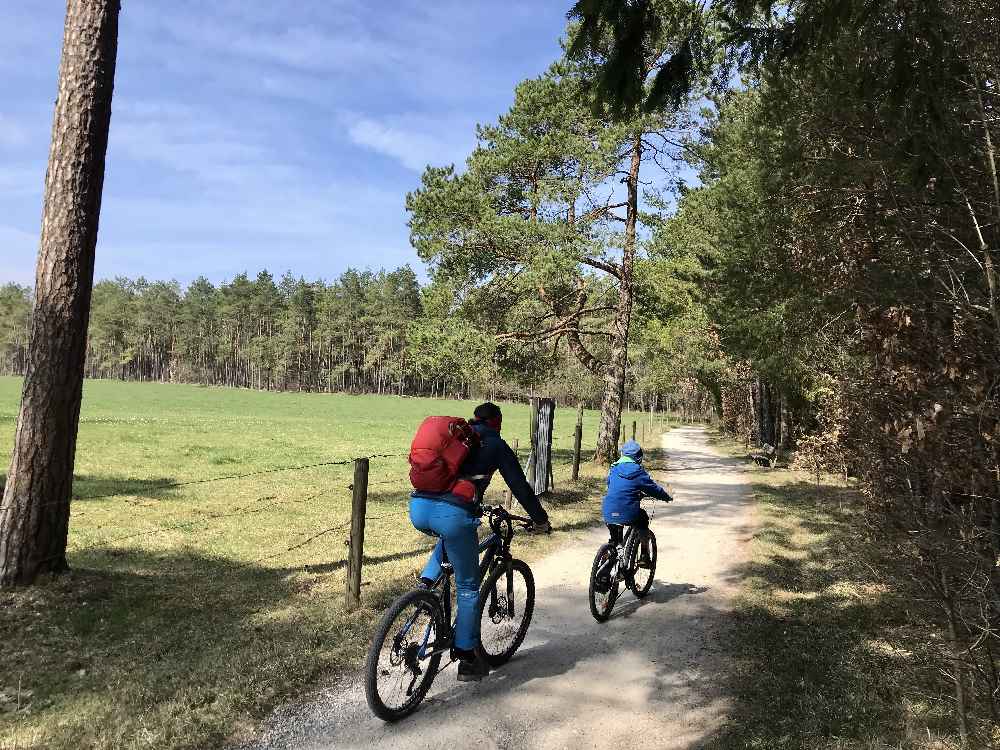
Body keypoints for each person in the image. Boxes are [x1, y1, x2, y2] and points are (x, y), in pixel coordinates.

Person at [409, 402, 551, 682]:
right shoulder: (495, 444)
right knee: (468, 586)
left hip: (419, 507)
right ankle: (467, 659)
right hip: (452, 513)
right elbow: (520, 486)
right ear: (497, 422)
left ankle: (424, 589)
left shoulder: (457, 437)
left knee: (451, 540)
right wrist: (540, 519)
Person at [601, 440, 672, 564]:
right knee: (643, 518)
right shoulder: (639, 472)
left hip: (608, 511)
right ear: (639, 457)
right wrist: (666, 497)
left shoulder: (613, 468)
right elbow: (653, 489)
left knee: (615, 541)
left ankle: (607, 563)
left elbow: (610, 485)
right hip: (628, 512)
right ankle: (644, 555)